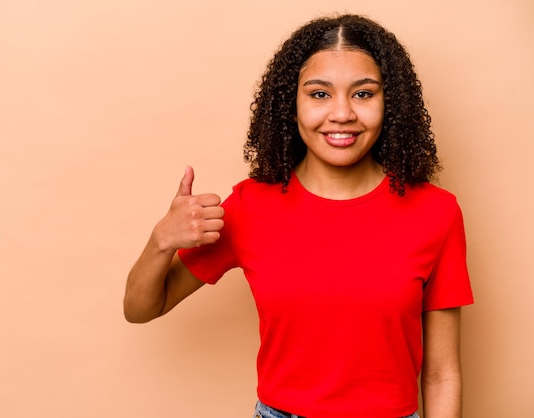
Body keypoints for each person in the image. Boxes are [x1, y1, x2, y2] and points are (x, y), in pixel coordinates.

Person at [124, 14, 473, 418]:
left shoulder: (436, 212)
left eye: (363, 94)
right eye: (319, 94)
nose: (342, 113)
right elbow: (141, 309)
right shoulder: (249, 206)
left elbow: (442, 373)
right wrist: (160, 241)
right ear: (290, 106)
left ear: (389, 104)